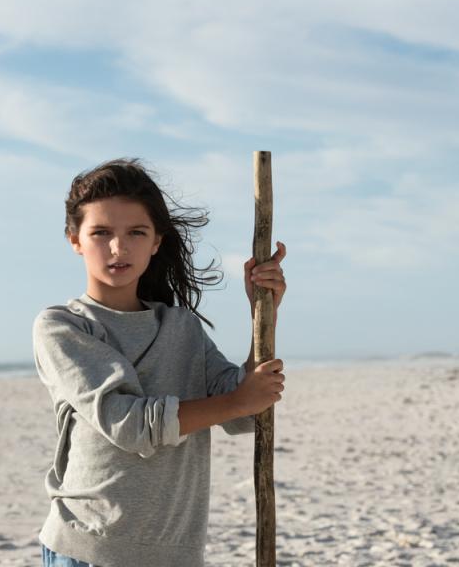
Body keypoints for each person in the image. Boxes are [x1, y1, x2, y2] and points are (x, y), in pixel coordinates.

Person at [33, 158, 287, 567]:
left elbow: (244, 413)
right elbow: (130, 425)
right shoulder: (64, 327)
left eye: (136, 232)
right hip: (90, 550)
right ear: (74, 239)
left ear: (156, 241)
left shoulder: (181, 326)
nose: (119, 247)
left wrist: (264, 312)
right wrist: (242, 401)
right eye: (101, 233)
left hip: (177, 552)